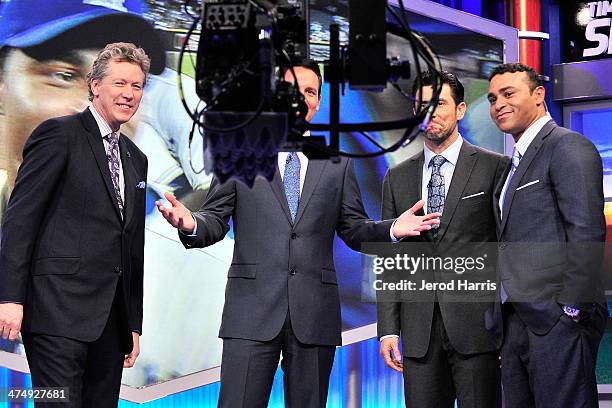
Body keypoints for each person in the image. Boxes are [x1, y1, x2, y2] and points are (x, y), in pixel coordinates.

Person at [156, 60, 441, 408]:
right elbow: (214, 220)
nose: (301, 98)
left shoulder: (339, 162)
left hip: (314, 315)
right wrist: (190, 223)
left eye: (310, 92)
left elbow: (353, 229)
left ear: (317, 102)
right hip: (251, 313)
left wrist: (393, 228)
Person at [0, 42, 149, 407]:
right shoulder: (58, 134)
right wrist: (10, 298)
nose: (129, 94)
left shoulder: (136, 158)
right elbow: (21, 220)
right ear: (95, 86)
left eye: (137, 86)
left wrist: (132, 322)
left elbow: (131, 248)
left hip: (110, 326)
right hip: (55, 317)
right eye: (119, 84)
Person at [377, 70, 508, 408]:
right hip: (418, 334)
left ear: (461, 109)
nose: (431, 112)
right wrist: (388, 329)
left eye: (440, 104)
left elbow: (505, 249)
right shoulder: (397, 177)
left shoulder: (495, 168)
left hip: (478, 331)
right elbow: (392, 262)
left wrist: (508, 329)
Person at [486, 62, 607, 408]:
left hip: (557, 320)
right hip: (515, 322)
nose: (498, 105)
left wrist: (570, 310)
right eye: (493, 98)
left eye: (509, 94)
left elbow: (586, 231)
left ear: (538, 95)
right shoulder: (513, 164)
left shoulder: (567, 146)